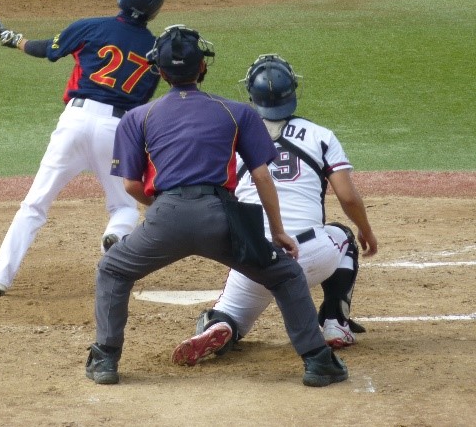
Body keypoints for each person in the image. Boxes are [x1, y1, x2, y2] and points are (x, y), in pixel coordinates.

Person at [86, 26, 349, 387]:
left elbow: (131, 184)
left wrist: (163, 208)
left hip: (166, 216)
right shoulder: (237, 112)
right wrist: (277, 232)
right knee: (286, 275)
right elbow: (261, 177)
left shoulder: (137, 117)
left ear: (160, 72)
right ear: (203, 68)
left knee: (114, 270)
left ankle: (105, 360)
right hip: (222, 219)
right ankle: (318, 362)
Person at [171, 54, 379, 367]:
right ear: (293, 92)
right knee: (344, 235)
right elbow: (348, 197)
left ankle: (221, 325)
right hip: (310, 255)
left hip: (254, 257)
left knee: (231, 312)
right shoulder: (320, 135)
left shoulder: (229, 138)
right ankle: (336, 322)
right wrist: (366, 229)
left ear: (250, 96)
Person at [0, 0, 166, 297]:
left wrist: (17, 40)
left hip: (75, 121)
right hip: (117, 130)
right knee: (123, 207)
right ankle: (116, 235)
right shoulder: (156, 51)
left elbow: (47, 50)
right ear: (154, 9)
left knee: (34, 205)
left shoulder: (90, 26)